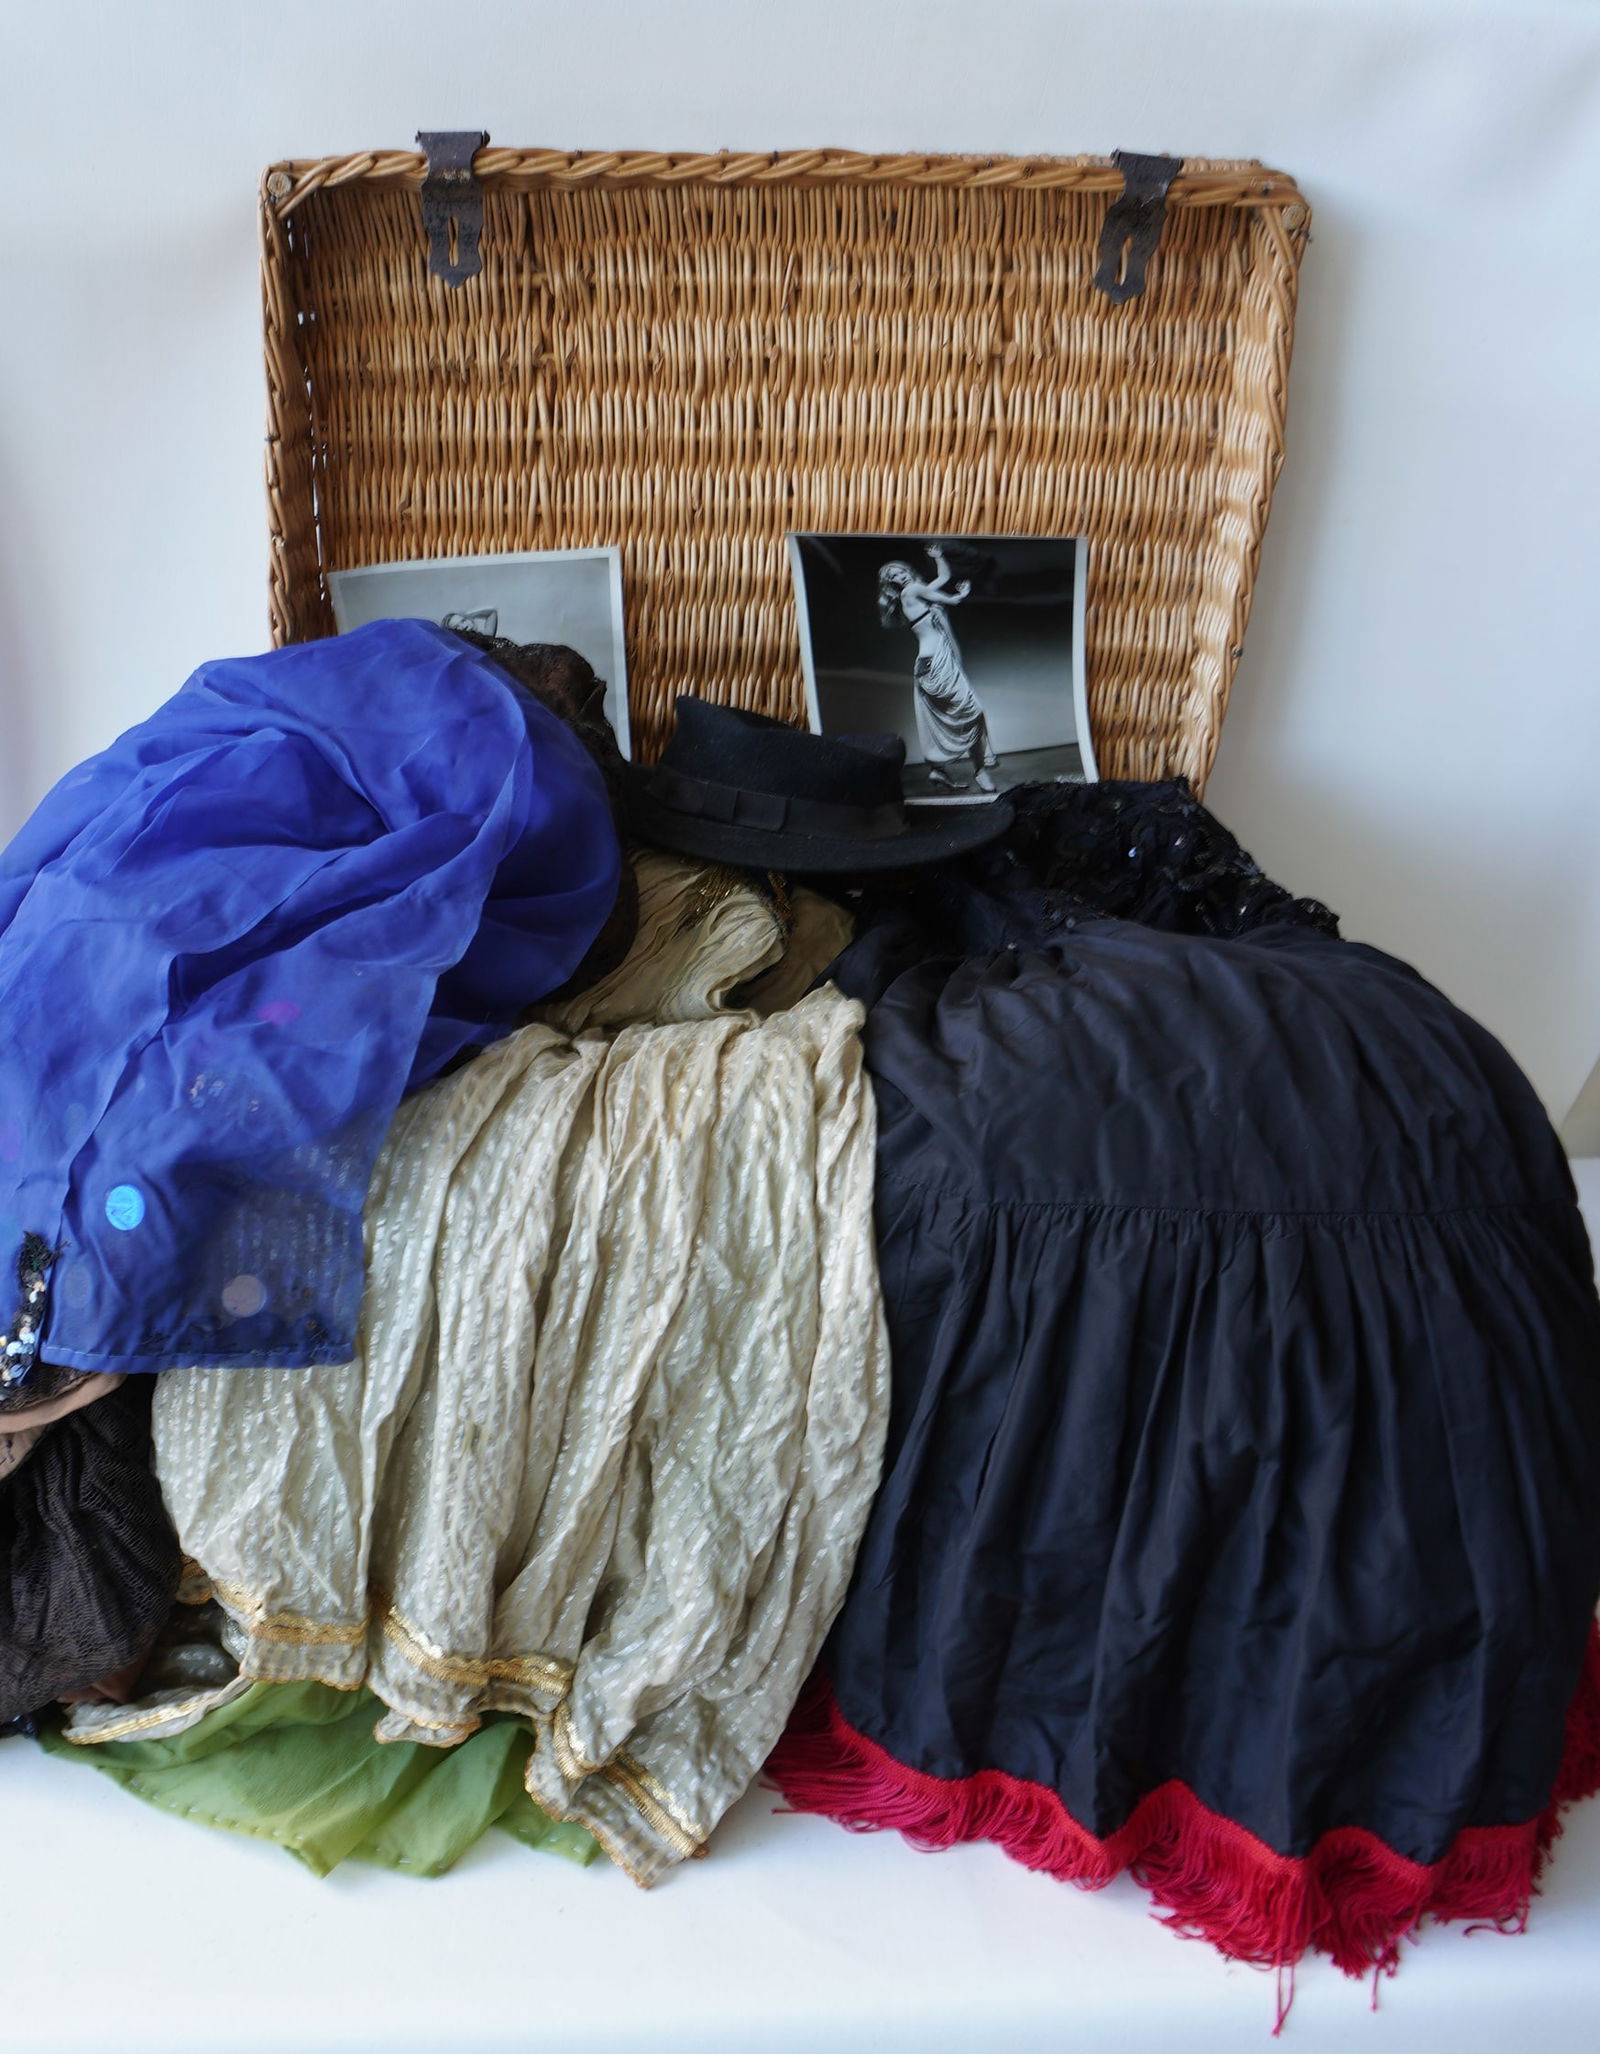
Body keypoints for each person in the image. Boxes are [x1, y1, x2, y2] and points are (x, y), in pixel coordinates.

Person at [877, 545, 998, 793]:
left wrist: (938, 557)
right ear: (894, 584)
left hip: (931, 663)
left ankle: (939, 771)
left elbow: (943, 578)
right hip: (935, 665)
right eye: (895, 577)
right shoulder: (912, 591)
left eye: (902, 571)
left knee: (954, 716)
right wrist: (962, 594)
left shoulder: (915, 594)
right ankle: (979, 770)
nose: (902, 577)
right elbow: (951, 598)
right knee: (973, 712)